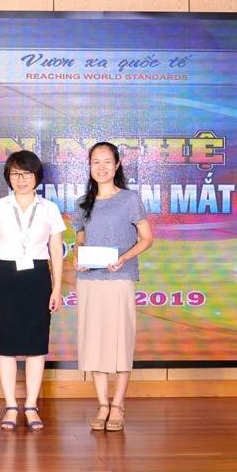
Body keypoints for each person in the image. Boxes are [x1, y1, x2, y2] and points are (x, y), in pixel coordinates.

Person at [0, 151, 66, 431]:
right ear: (8, 177)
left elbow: (56, 251)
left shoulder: (49, 208)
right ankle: (10, 406)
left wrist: (57, 288)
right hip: (5, 276)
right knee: (5, 346)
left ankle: (30, 406)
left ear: (37, 176)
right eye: (15, 174)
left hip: (38, 277)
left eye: (27, 173)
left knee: (36, 346)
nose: (21, 179)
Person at [71, 142, 153, 432]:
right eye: (96, 162)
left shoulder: (130, 199)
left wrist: (124, 258)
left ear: (117, 165)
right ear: (90, 166)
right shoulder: (83, 202)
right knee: (94, 340)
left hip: (120, 276)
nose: (101, 167)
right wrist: (78, 257)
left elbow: (147, 238)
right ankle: (102, 404)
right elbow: (80, 240)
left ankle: (118, 405)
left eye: (107, 161)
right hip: (89, 280)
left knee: (120, 339)